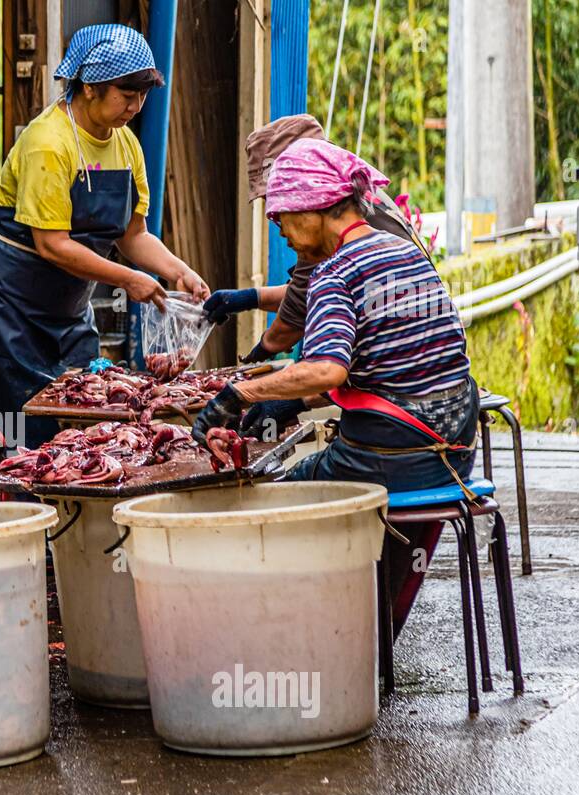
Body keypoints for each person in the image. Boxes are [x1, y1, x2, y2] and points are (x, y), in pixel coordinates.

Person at [191, 139, 478, 634]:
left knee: (262, 500)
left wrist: (240, 394)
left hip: (391, 459)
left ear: (313, 208)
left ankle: (289, 639)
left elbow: (328, 370)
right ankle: (367, 630)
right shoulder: (404, 252)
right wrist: (291, 404)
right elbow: (387, 369)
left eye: (281, 219)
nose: (281, 233)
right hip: (455, 454)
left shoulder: (334, 272)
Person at [0, 23, 209, 448]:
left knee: (80, 396)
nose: (136, 106)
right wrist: (127, 279)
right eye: (127, 93)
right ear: (88, 87)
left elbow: (133, 235)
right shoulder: (49, 141)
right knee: (7, 408)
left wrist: (179, 272)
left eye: (143, 95)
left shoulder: (127, 146)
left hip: (64, 298)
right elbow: (52, 244)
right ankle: (1, 494)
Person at [201, 114, 434, 365]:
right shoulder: (351, 197)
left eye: (277, 198)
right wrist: (249, 298)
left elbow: (297, 313)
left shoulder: (332, 220)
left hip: (403, 360)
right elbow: (311, 290)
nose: (277, 220)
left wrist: (259, 356)